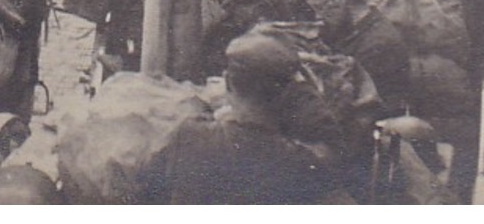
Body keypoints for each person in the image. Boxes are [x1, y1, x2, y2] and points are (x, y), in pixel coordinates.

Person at [142, 31, 342, 204]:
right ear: (288, 94)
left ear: (228, 83)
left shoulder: (189, 135)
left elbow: (147, 192)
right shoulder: (299, 164)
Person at [301, 0, 410, 115]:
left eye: (319, 8)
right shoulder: (349, 29)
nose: (318, 17)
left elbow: (354, 107)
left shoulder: (377, 45)